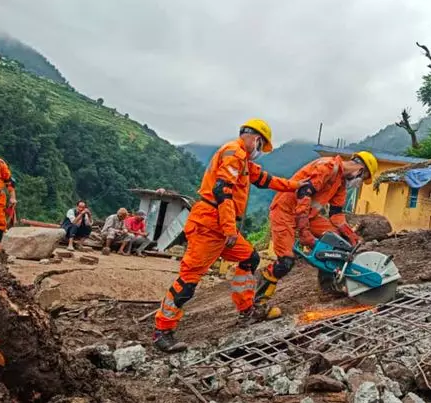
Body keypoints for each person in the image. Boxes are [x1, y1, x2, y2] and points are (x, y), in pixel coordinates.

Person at [152, 118, 307, 353]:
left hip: (221, 227)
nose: (259, 151)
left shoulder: (243, 161)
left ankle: (247, 310)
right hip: (209, 225)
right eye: (260, 145)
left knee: (250, 258)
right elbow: (221, 191)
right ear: (255, 138)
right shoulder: (233, 153)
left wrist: (296, 186)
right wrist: (229, 229)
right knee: (188, 282)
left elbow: (267, 180)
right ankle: (162, 330)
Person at [253, 151, 378, 318]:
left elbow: (336, 214)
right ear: (360, 170)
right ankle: (258, 305)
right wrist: (304, 231)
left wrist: (350, 235)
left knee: (335, 243)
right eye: (363, 178)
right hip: (285, 211)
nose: (359, 183)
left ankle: (328, 288)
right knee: (286, 261)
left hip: (308, 215)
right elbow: (303, 193)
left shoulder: (340, 183)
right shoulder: (327, 167)